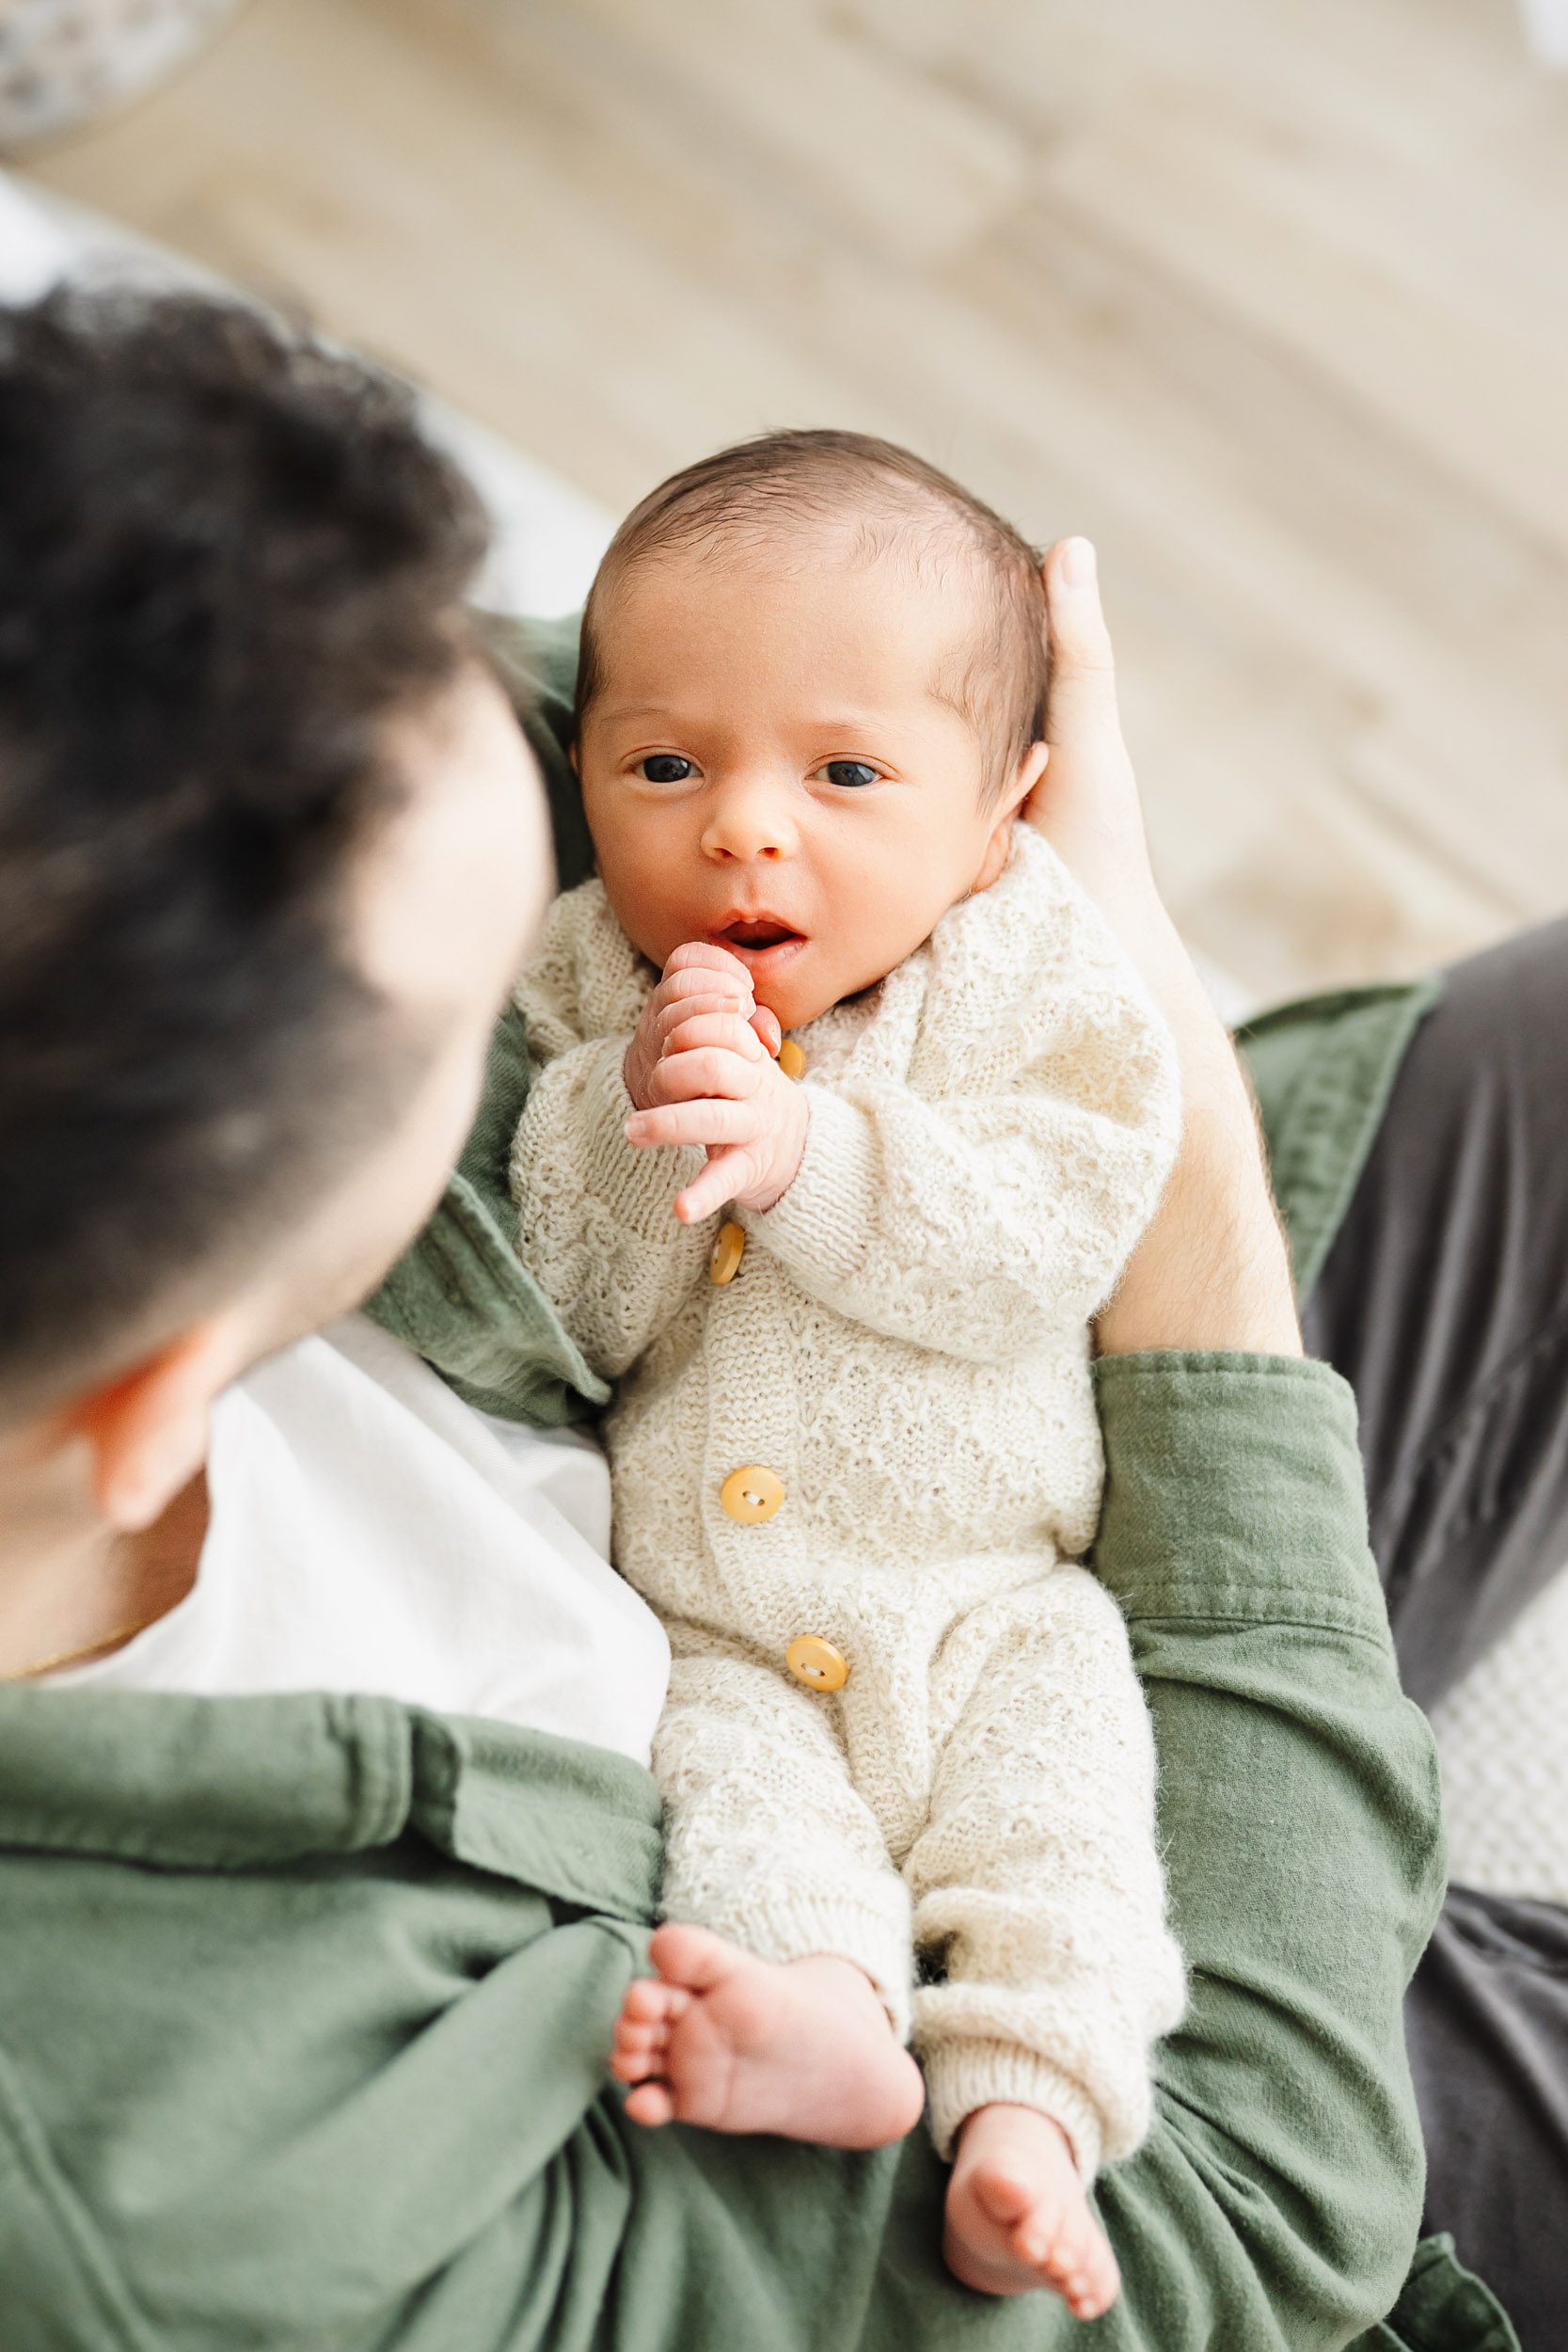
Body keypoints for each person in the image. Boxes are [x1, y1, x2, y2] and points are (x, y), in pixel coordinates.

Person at [0, 283, 1510, 2351]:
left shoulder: (146, 835)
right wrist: (1195, 1146)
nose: (715, 846)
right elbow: (1251, 2224)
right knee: (1043, 1888)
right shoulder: (202, 2186)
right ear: (175, 1381)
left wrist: (1011, 892)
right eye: (462, 1034)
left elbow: (593, 705)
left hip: (1023, 1454)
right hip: (1136, 2016)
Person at [510, 431, 1186, 2317]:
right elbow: (569, 1306)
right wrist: (639, 1117)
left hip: (993, 1601)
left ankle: (1028, 2122)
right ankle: (822, 2017)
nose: (743, 826)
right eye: (664, 764)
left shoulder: (1022, 971)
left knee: (1063, 1836)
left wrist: (813, 1153)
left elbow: (1057, 1225)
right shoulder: (585, 985)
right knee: (732, 1818)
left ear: (1000, 811)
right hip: (713, 1630)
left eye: (846, 773)